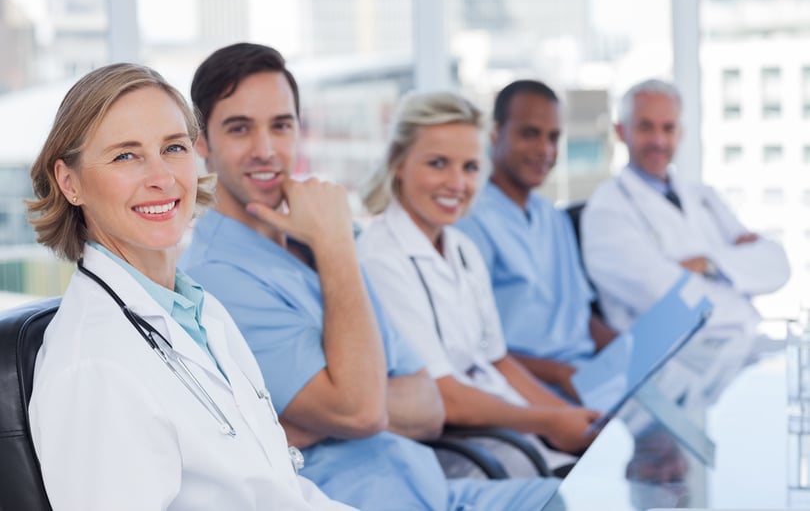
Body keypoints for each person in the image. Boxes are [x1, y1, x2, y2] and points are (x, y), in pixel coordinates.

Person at [180, 42, 558, 510]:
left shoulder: (310, 244)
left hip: (439, 490)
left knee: (601, 498)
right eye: (239, 129)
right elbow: (359, 410)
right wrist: (336, 244)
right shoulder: (217, 278)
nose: (265, 150)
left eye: (281, 126)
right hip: (358, 500)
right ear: (201, 141)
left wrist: (327, 417)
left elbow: (427, 406)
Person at [25, 63, 355, 510]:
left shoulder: (200, 311)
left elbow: (280, 489)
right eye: (126, 155)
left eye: (174, 148)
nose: (162, 177)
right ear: (70, 182)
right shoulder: (94, 367)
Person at [356, 90, 601, 477]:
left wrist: (566, 416)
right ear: (398, 163)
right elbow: (444, 397)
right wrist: (548, 423)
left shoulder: (462, 247)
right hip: (466, 443)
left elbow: (497, 359)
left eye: (469, 168)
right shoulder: (380, 258)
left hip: (508, 425)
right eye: (438, 164)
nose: (457, 184)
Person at [581, 78, 790, 404]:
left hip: (738, 350)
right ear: (620, 132)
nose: (658, 140)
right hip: (669, 369)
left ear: (681, 133)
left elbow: (778, 265)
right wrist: (737, 275)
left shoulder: (702, 196)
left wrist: (707, 264)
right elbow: (665, 298)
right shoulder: (606, 210)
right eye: (645, 127)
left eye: (668, 128)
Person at [456, 80, 617, 401]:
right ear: (495, 133)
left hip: (587, 378)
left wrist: (631, 352)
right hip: (528, 389)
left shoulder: (553, 218)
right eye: (529, 134)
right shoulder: (471, 223)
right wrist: (560, 374)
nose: (544, 150)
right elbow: (471, 348)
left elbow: (581, 316)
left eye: (553, 137)